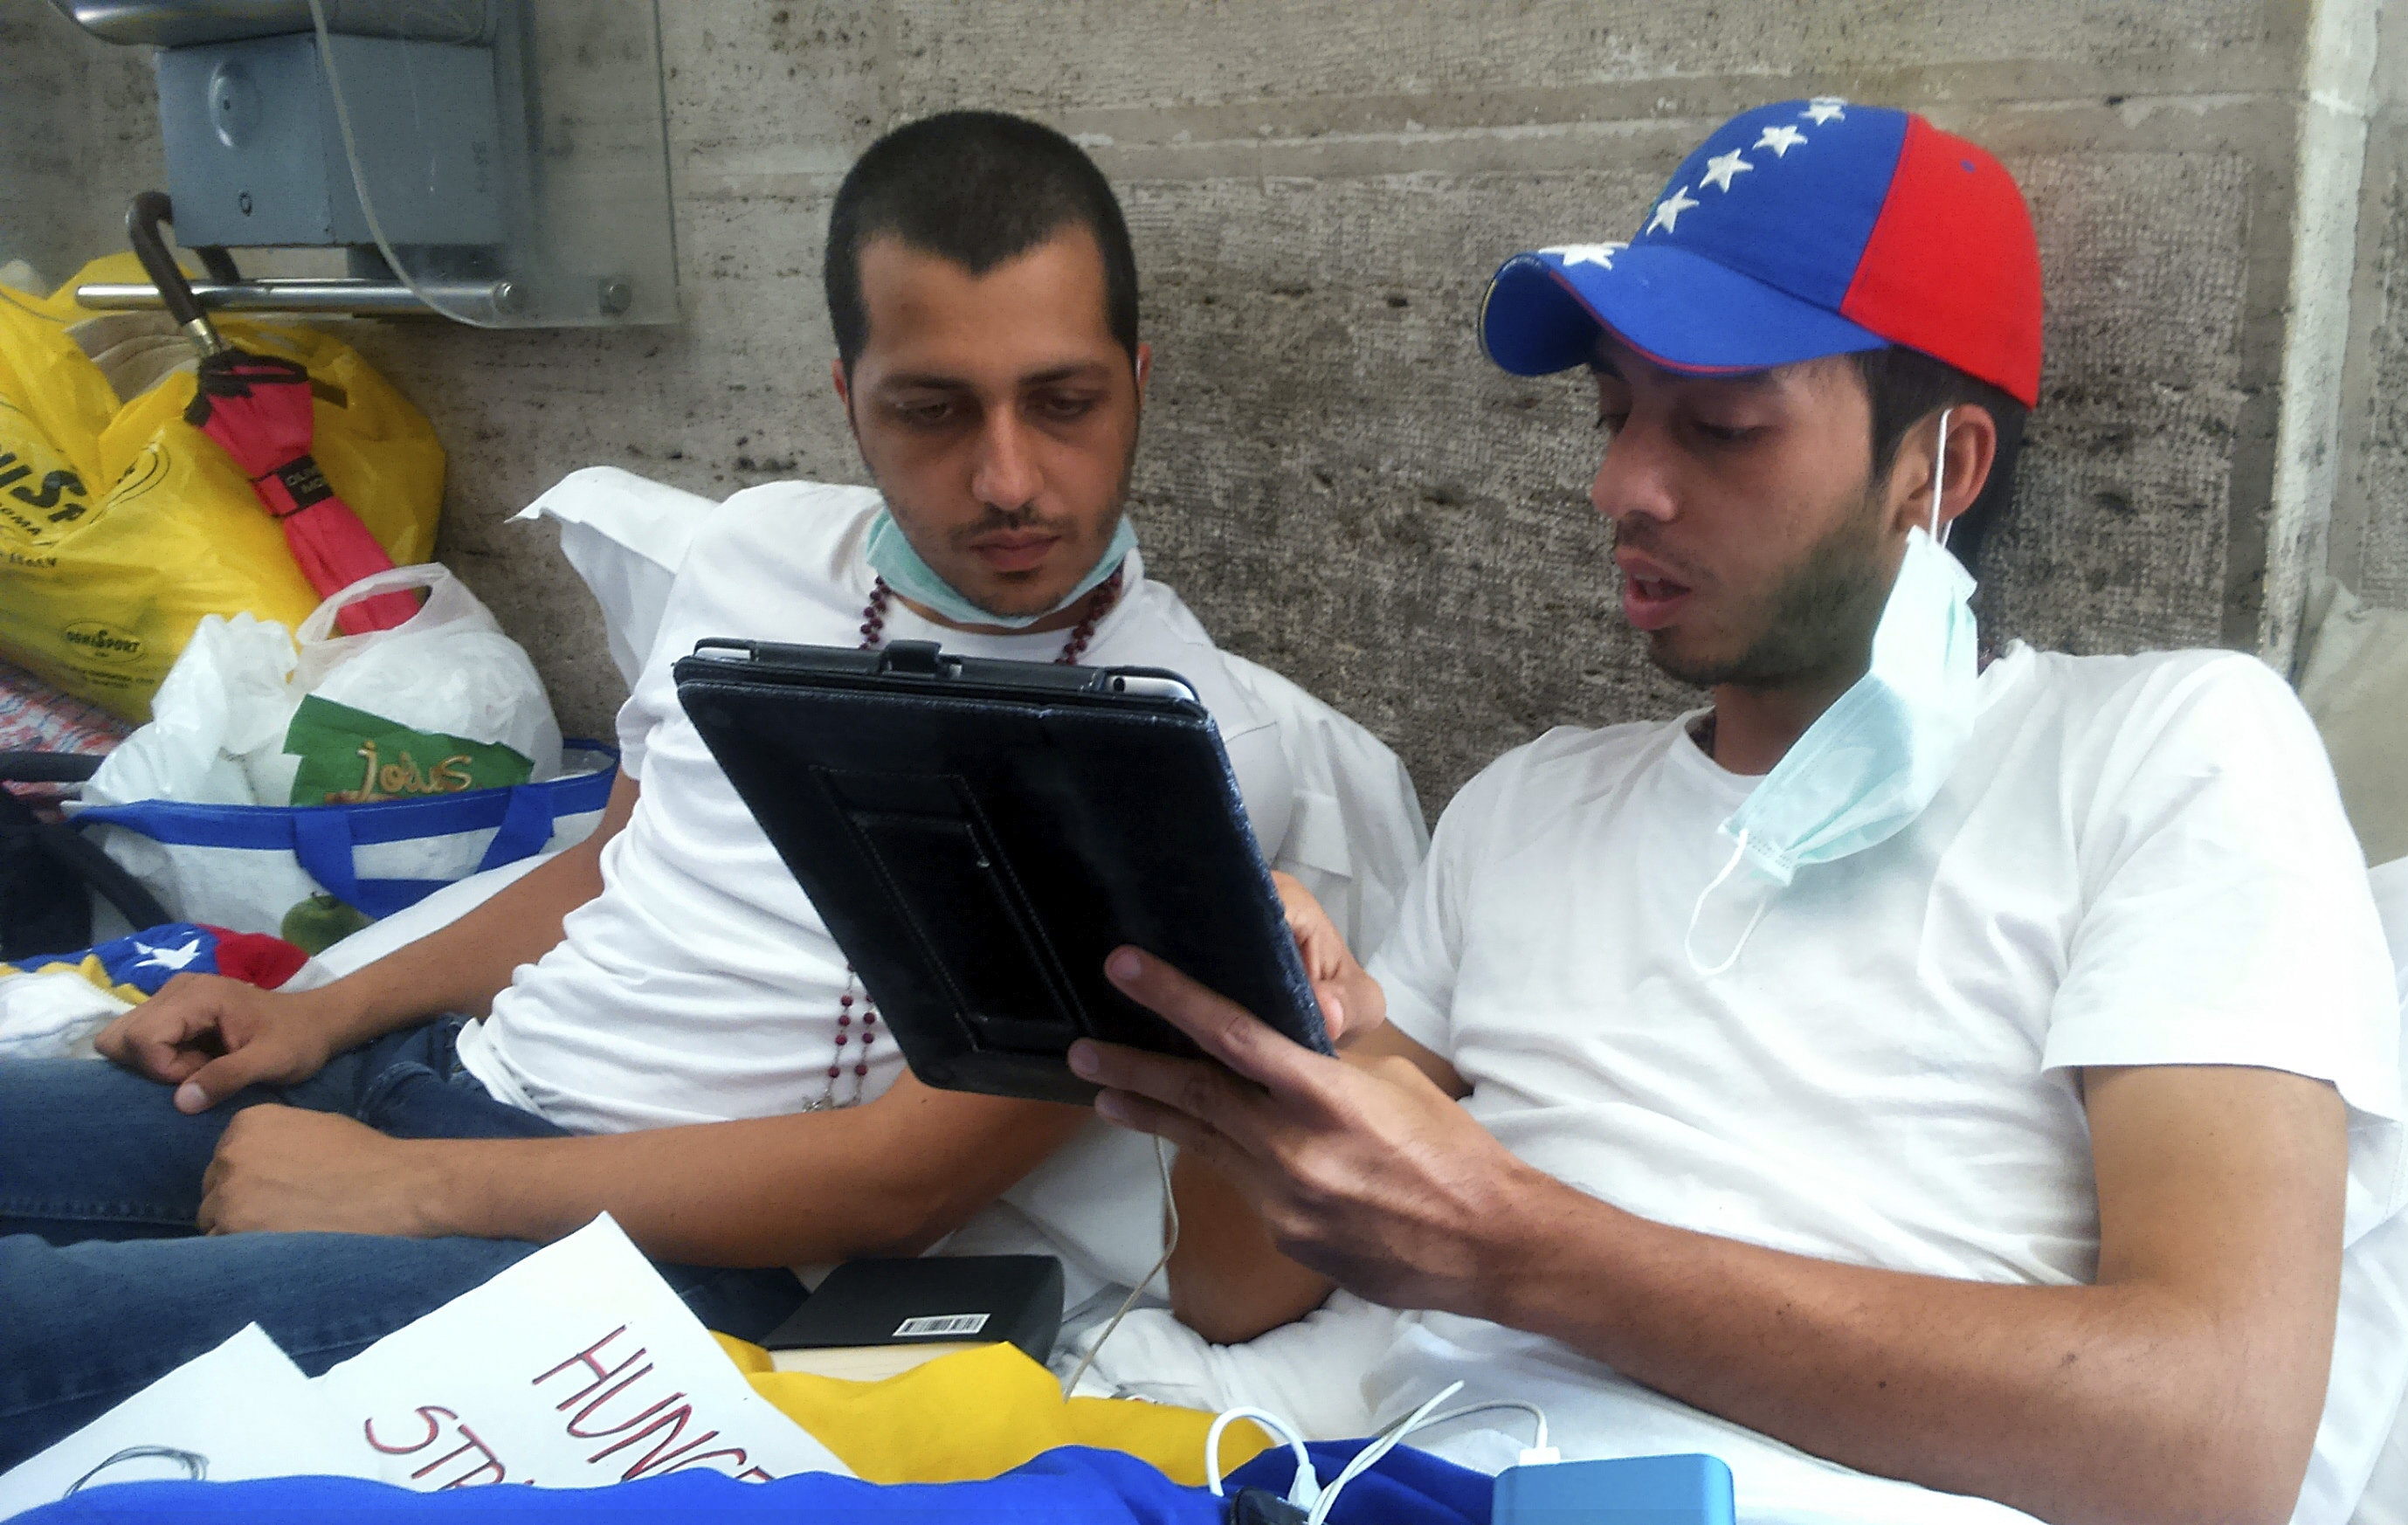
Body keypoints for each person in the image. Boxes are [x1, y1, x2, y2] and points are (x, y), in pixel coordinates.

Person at [0, 111, 1423, 1466]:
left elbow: (899, 1180)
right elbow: (610, 864)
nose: (1009, 478)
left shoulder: (1167, 753)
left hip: (654, 1271)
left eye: (1064, 403)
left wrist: (403, 1191)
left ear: (1139, 384)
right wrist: (318, 1014)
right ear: (846, 402)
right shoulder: (753, 555)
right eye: (932, 409)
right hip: (430, 1083)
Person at [1070, 101, 2400, 1525]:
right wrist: (1278, 1034)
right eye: (1615, 412)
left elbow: (2213, 1443)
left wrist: (1525, 1251)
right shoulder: (1527, 808)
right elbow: (1226, 1291)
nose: (1621, 485)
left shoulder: (2159, 751)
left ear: (1938, 470)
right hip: (1352, 1484)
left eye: (1720, 426)